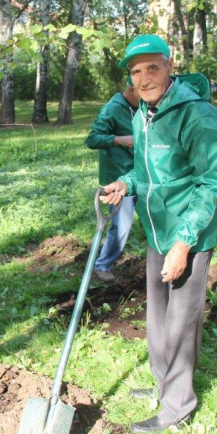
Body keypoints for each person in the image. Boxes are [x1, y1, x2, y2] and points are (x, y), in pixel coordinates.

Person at [101, 35, 217, 433]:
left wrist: (183, 243)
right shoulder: (143, 113)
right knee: (156, 311)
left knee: (180, 318)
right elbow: (146, 172)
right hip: (158, 226)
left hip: (190, 228)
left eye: (151, 68)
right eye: (135, 72)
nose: (143, 78)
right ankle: (162, 384)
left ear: (169, 65)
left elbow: (213, 183)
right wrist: (125, 184)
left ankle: (178, 405)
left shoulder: (197, 115)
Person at [85, 77, 140, 282]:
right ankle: (102, 265)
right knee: (122, 224)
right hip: (117, 179)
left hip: (141, 174)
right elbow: (92, 139)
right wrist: (118, 140)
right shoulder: (112, 109)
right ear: (131, 88)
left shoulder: (143, 108)